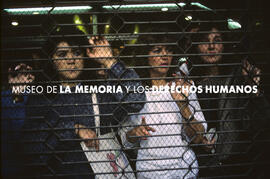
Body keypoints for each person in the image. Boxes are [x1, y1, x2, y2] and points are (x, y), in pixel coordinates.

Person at [22, 26, 145, 178]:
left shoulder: (101, 92)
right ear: (52, 60)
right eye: (62, 54)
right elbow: (32, 146)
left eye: (77, 53)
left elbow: (136, 101)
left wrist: (109, 61)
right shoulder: (42, 98)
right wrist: (72, 129)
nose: (71, 60)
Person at [120, 32, 213, 179]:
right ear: (145, 55)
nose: (165, 56)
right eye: (157, 51)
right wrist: (134, 133)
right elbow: (125, 142)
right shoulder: (135, 92)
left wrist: (183, 106)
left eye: (169, 50)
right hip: (149, 173)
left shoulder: (183, 86)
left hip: (184, 171)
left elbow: (198, 137)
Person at [187, 19, 270, 177]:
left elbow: (260, 122)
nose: (211, 46)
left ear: (224, 45)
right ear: (196, 47)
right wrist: (198, 141)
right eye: (205, 41)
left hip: (235, 162)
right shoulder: (188, 82)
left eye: (217, 41)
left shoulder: (238, 78)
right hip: (200, 163)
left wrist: (253, 88)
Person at [1, 61, 35, 178]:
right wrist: (16, 94)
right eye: (21, 72)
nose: (26, 77)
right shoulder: (4, 98)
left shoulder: (39, 98)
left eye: (29, 73)